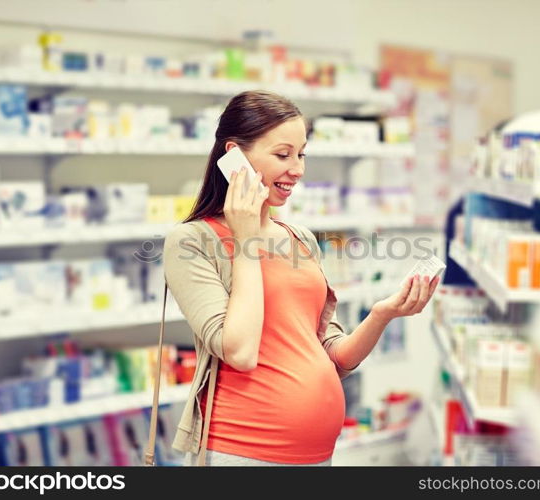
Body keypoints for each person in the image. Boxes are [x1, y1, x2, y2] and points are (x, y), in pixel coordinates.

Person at [162, 90, 439, 466]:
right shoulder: (193, 242)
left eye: (301, 153)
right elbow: (240, 352)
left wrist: (381, 315)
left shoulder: (300, 238)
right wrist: (246, 240)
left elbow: (333, 356)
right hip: (244, 452)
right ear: (234, 157)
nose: (298, 169)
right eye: (282, 154)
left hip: (316, 456)